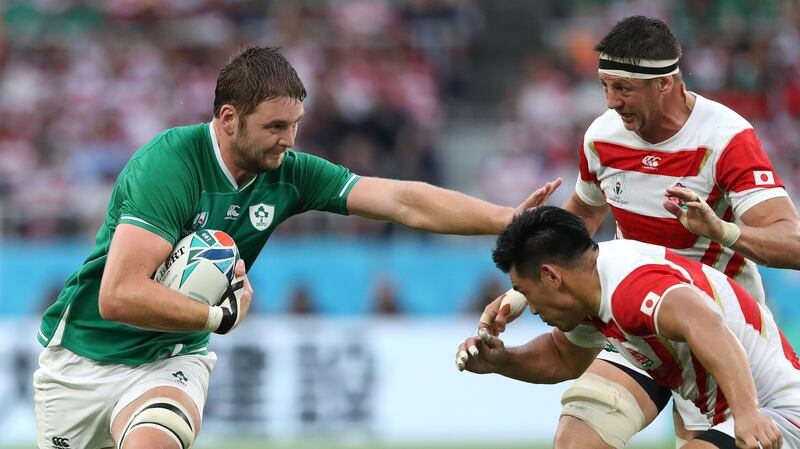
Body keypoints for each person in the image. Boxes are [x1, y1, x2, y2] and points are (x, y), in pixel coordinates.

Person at [32, 46, 559, 449]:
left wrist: (505, 217)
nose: (289, 140)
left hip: (170, 359)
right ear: (229, 119)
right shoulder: (169, 164)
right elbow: (118, 296)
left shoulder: (290, 173)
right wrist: (217, 318)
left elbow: (400, 200)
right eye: (276, 126)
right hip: (83, 359)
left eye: (296, 126)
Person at [478, 16, 800, 449]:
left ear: (665, 83)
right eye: (605, 86)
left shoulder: (725, 139)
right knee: (576, 440)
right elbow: (576, 227)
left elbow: (792, 245)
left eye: (624, 88)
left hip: (709, 331)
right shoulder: (602, 137)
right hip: (633, 322)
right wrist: (527, 289)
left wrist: (722, 230)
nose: (611, 102)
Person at [458, 206, 800, 449]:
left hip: (778, 414)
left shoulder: (631, 288)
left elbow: (707, 324)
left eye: (527, 293)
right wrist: (501, 362)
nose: (531, 308)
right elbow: (562, 358)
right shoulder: (588, 292)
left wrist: (747, 413)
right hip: (736, 413)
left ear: (551, 276)